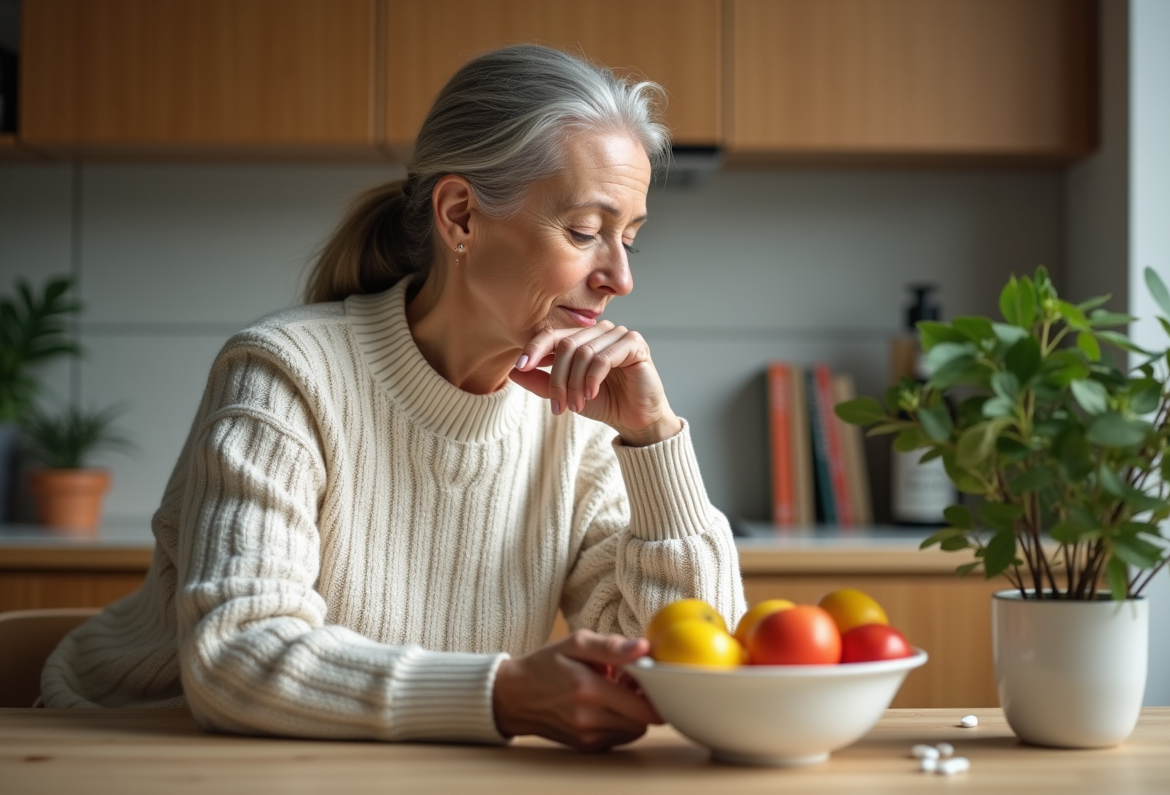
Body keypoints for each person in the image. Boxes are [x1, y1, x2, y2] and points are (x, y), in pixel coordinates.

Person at [41, 45, 745, 751]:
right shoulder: (287, 373)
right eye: (586, 232)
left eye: (631, 239)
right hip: (134, 750)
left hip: (388, 766)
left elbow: (691, 666)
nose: (620, 277)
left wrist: (654, 438)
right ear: (462, 215)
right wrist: (502, 694)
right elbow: (237, 659)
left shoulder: (578, 417)